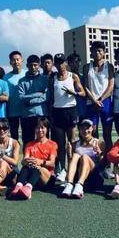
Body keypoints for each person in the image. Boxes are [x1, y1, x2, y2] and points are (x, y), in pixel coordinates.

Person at [49, 53, 85, 182]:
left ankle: (72, 167)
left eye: (62, 62)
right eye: (58, 62)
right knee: (60, 143)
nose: (60, 65)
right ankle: (62, 169)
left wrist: (73, 92)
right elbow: (51, 96)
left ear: (66, 63)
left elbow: (83, 93)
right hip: (57, 112)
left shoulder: (73, 76)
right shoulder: (52, 77)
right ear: (55, 64)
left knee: (72, 142)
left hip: (70, 111)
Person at [9, 118, 57, 200]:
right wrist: (27, 161)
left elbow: (52, 163)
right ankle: (19, 186)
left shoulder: (52, 144)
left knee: (37, 167)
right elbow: (24, 161)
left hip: (47, 178)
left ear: (47, 129)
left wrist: (40, 162)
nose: (40, 130)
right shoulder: (29, 144)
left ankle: (27, 188)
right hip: (34, 178)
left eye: (42, 128)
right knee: (26, 166)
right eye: (37, 128)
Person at [82, 41, 116, 150]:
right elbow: (86, 86)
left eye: (99, 51)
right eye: (94, 51)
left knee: (107, 133)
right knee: (93, 133)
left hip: (105, 102)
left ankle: (108, 158)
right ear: (91, 52)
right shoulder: (87, 67)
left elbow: (111, 86)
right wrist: (94, 100)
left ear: (104, 52)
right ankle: (95, 158)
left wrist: (101, 99)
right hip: (91, 102)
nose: (97, 53)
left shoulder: (109, 66)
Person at [61, 119, 105, 199]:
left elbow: (103, 164)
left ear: (92, 128)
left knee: (85, 156)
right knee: (75, 155)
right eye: (82, 128)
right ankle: (69, 184)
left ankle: (79, 185)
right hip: (78, 175)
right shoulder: (75, 144)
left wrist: (99, 153)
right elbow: (71, 163)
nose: (85, 131)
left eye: (87, 128)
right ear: (79, 130)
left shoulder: (99, 143)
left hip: (94, 177)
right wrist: (69, 155)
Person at [17, 55, 49, 146]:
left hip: (41, 114)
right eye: (31, 65)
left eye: (35, 65)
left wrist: (30, 100)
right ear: (27, 65)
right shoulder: (22, 81)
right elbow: (21, 98)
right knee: (28, 142)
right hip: (27, 115)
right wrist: (38, 94)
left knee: (43, 142)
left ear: (39, 65)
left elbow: (46, 96)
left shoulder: (45, 79)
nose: (33, 67)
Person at [4, 51, 26, 140]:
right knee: (14, 137)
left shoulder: (27, 73)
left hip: (26, 111)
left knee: (27, 136)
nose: (16, 62)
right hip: (12, 111)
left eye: (18, 59)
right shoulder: (6, 77)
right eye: (13, 60)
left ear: (22, 60)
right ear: (10, 62)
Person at [67, 53, 87, 120]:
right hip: (70, 109)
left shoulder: (83, 77)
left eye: (76, 61)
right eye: (72, 62)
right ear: (69, 64)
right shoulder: (66, 78)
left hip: (82, 109)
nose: (74, 64)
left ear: (80, 62)